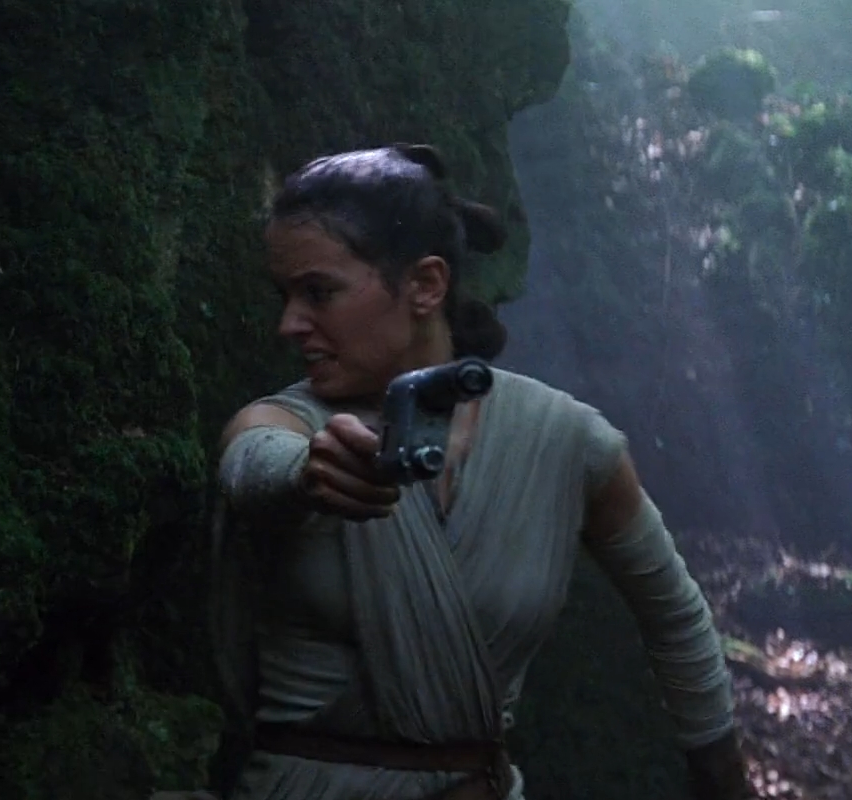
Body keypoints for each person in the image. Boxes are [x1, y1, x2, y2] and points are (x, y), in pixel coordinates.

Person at [207, 143, 755, 800]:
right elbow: (252, 465)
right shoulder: (283, 421)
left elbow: (675, 616)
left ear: (425, 285)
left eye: (318, 292)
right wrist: (305, 475)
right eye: (286, 295)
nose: (289, 324)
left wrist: (722, 779)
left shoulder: (564, 439)